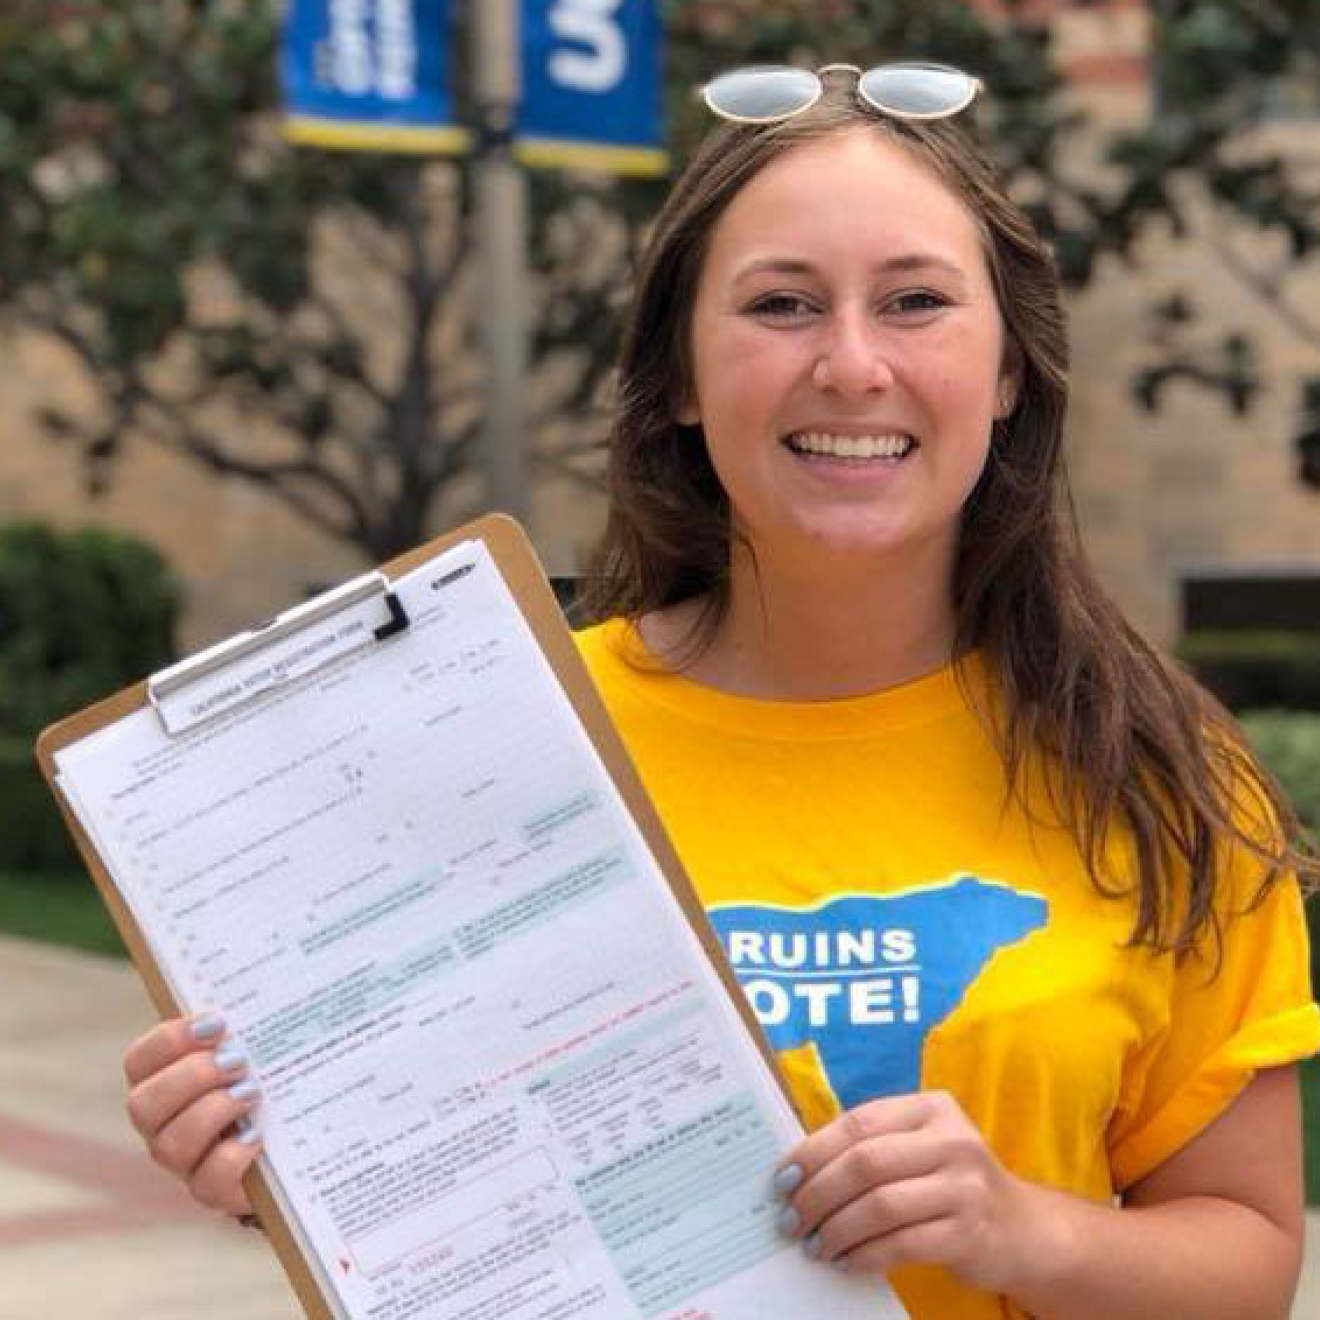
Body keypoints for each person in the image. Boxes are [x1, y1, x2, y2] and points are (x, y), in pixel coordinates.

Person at [122, 62, 1319, 1320]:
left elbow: (1247, 1265)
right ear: (683, 380)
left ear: (1011, 370)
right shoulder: (506, 736)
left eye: (915, 301)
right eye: (782, 306)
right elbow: (437, 1160)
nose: (853, 366)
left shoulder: (1152, 766)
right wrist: (286, 1151)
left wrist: (1022, 1232)